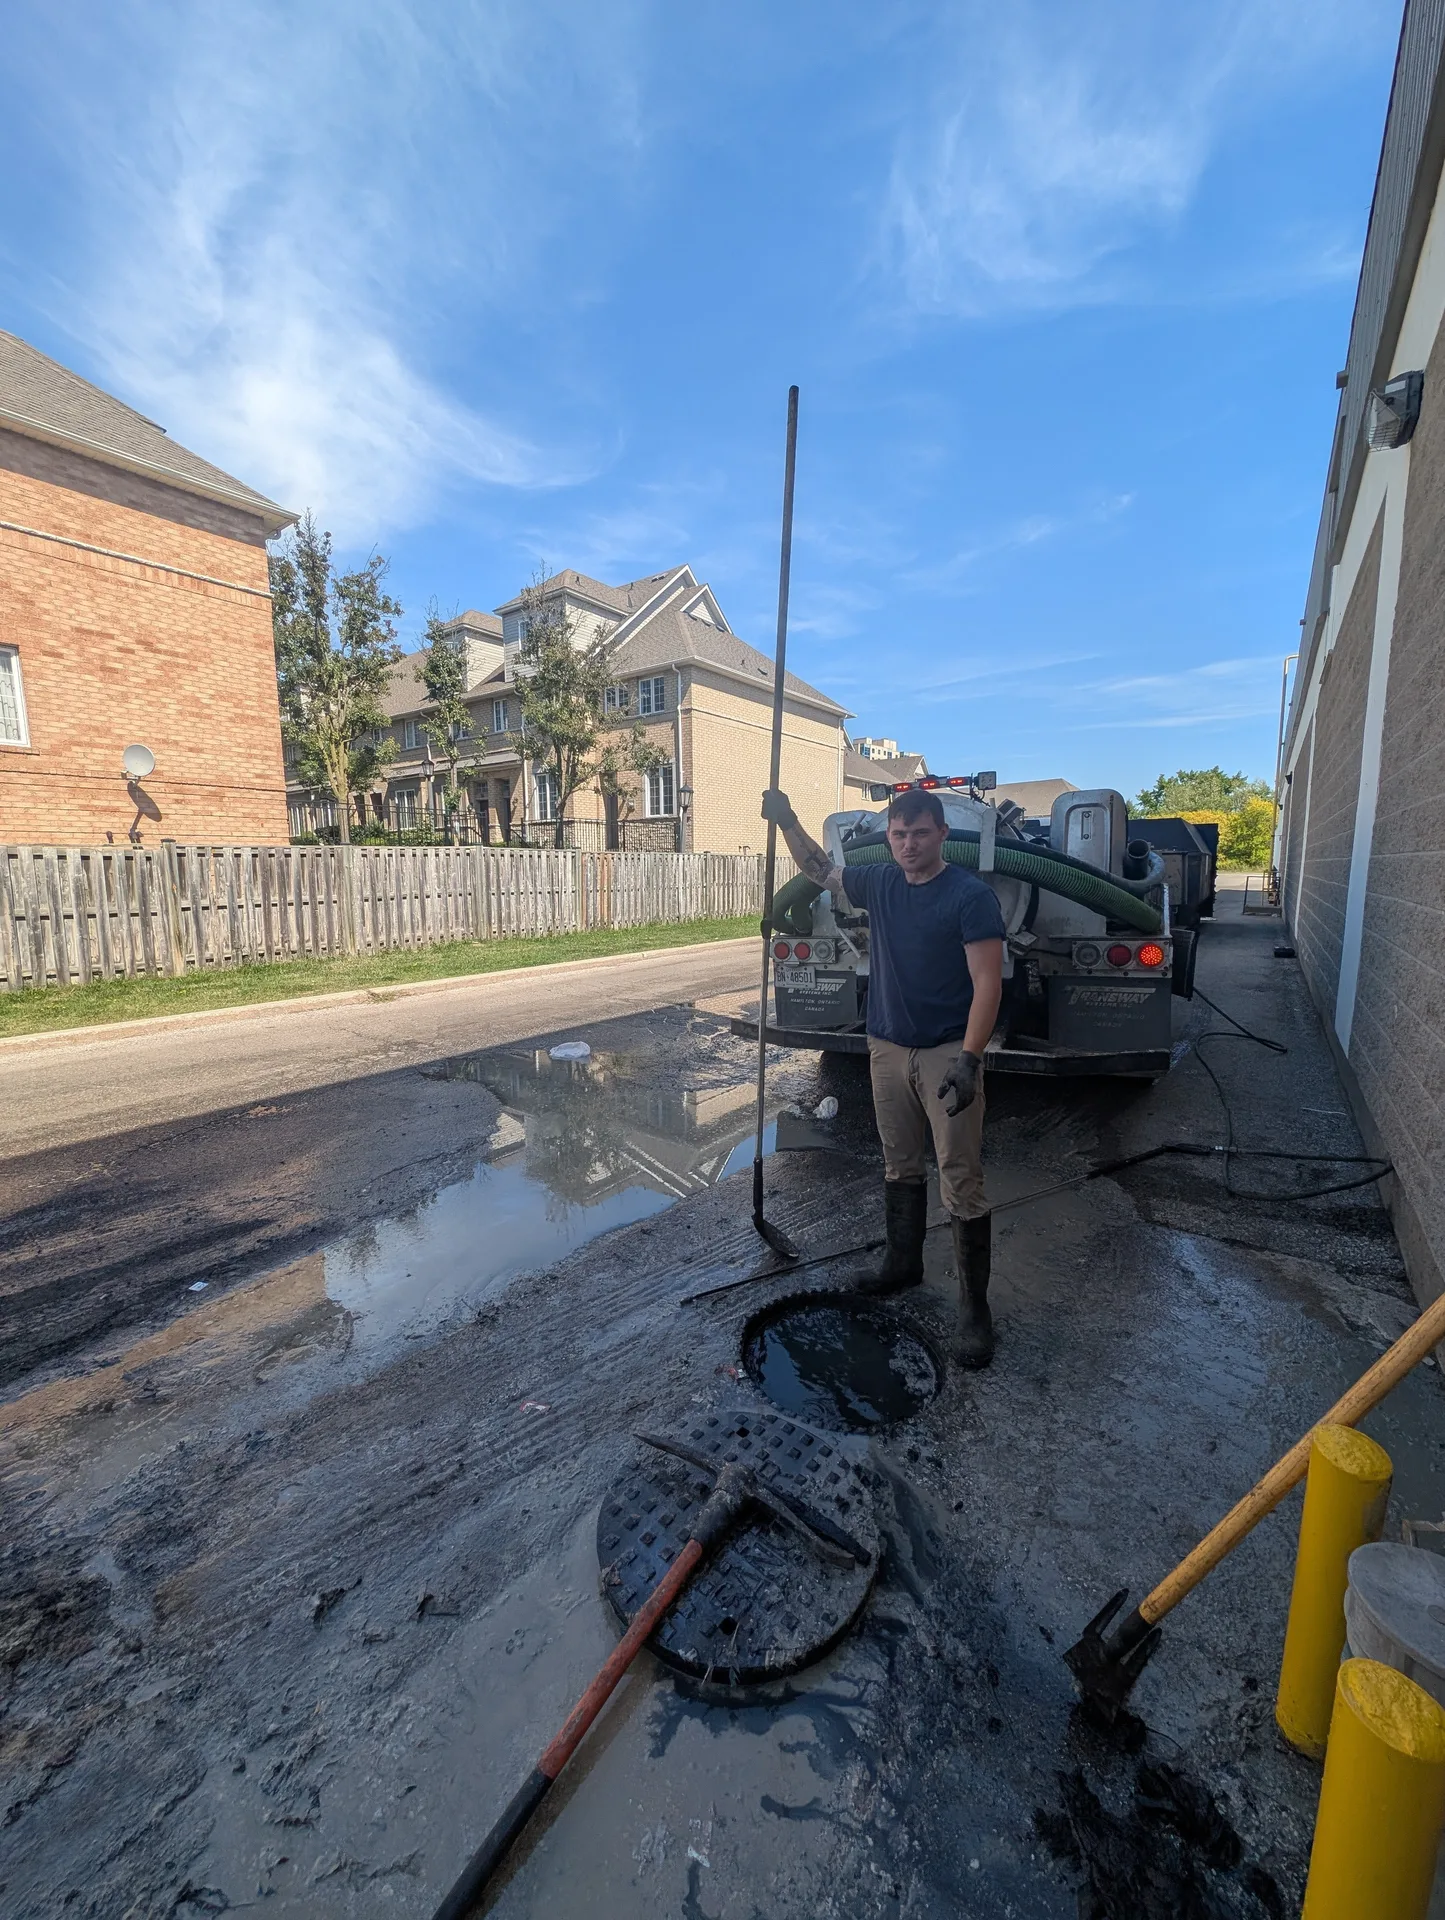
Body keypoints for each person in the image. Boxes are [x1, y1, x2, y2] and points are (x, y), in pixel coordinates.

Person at [761, 785, 1005, 1367]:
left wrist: (971, 1059)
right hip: (887, 1046)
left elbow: (989, 983)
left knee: (960, 1176)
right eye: (899, 834)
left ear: (943, 835)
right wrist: (789, 819)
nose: (908, 844)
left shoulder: (970, 897)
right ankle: (903, 1262)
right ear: (888, 837)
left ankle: (976, 1311)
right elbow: (820, 871)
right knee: (899, 1162)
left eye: (920, 833)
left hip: (948, 1051)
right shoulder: (882, 883)